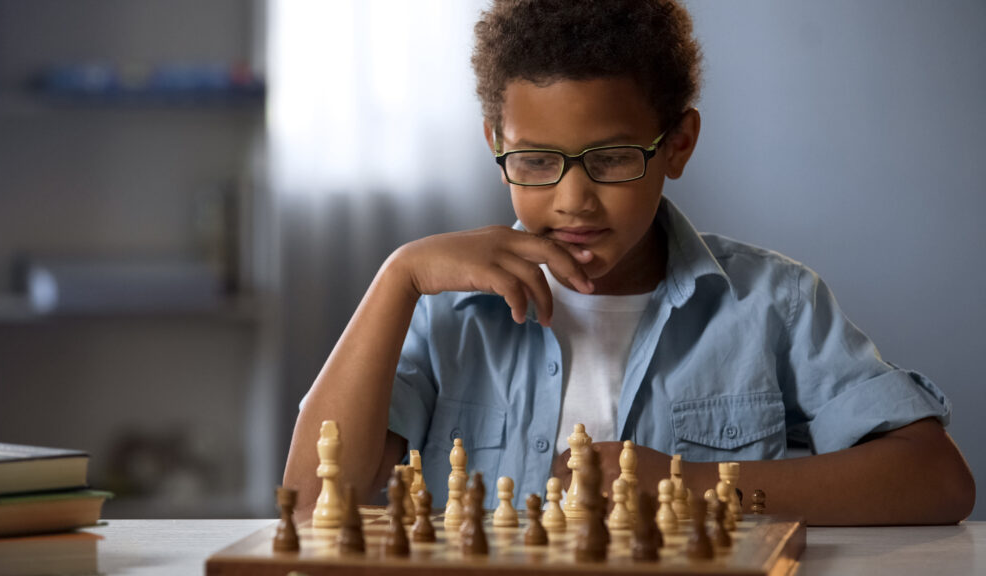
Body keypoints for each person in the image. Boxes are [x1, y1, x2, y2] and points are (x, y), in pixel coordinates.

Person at [284, 0, 975, 525]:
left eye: (612, 158)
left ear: (677, 144)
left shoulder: (774, 304)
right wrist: (398, 275)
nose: (573, 199)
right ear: (496, 143)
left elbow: (938, 482)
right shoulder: (444, 315)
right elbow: (313, 502)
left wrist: (694, 485)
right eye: (535, 162)